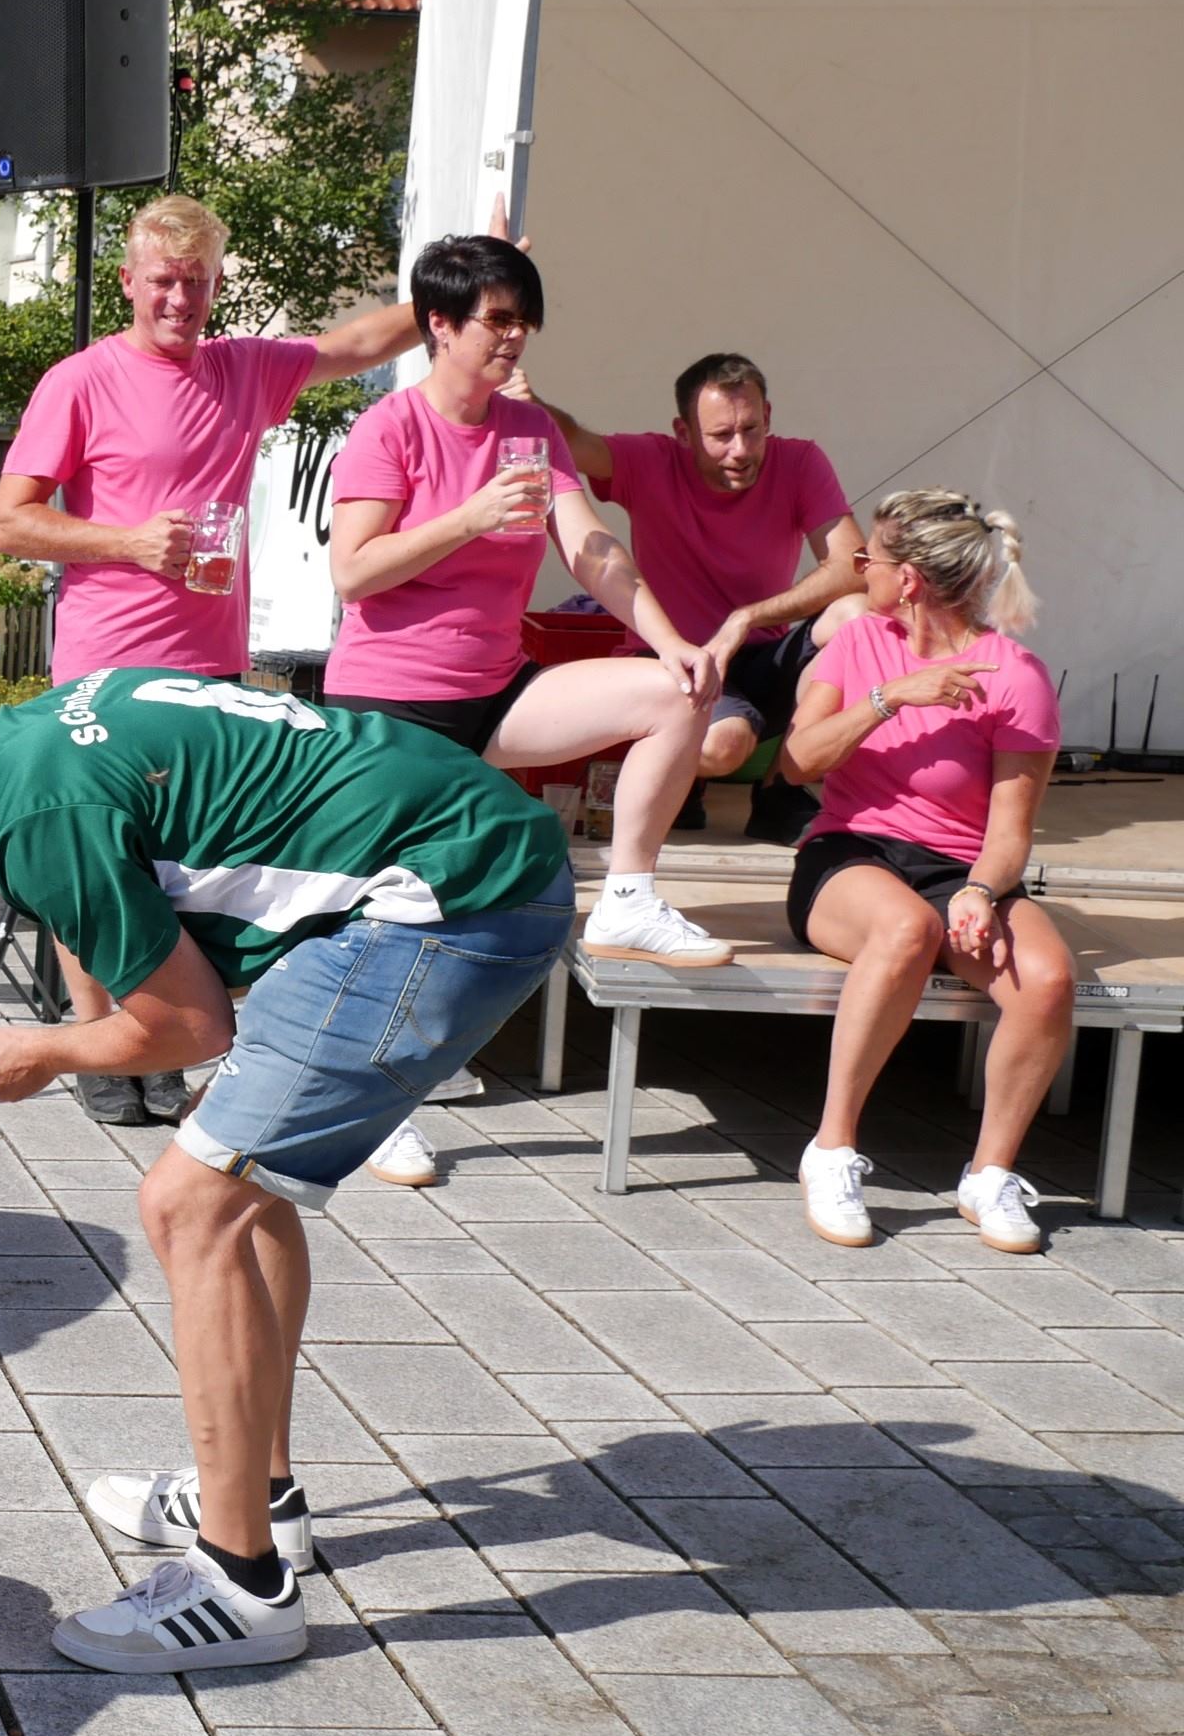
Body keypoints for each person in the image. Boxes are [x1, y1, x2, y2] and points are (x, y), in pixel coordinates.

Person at [0, 656, 571, 1671]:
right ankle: (261, 1498)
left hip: (450, 895)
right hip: (451, 861)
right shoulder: (42, 739)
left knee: (189, 1203)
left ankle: (240, 1585)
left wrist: (43, 1049)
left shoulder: (39, 813)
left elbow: (184, 1024)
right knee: (238, 1180)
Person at [0, 193, 491, 1128]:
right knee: (90, 864)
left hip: (210, 673)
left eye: (199, 285)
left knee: (191, 870)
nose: (180, 302)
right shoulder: (80, 380)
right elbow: (7, 521)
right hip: (105, 665)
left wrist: (464, 285)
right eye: (164, 284)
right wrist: (131, 544)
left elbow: (356, 344)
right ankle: (97, 1047)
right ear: (131, 282)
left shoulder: (242, 369)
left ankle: (161, 1038)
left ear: (217, 286)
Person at [322, 233, 732, 1187]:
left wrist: (671, 638)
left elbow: (591, 548)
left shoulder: (529, 429)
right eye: (498, 321)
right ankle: (377, 1106)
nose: (516, 339)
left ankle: (628, 898)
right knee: (400, 914)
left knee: (678, 693)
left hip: (498, 692)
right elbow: (352, 574)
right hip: (393, 705)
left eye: (525, 320)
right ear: (440, 326)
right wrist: (466, 517)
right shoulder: (393, 428)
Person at [777, 489, 1068, 1254]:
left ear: (907, 579)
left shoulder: (1016, 676)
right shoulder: (857, 644)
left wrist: (978, 889)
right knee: (904, 929)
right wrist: (888, 699)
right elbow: (794, 761)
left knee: (1047, 979)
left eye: (870, 557)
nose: (859, 566)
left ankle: (990, 1173)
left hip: (959, 867)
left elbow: (1010, 833)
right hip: (851, 852)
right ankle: (833, 1149)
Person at [521, 351, 866, 841]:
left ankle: (781, 791)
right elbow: (575, 442)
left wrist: (746, 618)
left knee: (857, 616)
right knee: (723, 746)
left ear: (768, 416)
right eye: (722, 435)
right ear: (684, 433)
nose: (741, 449)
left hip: (761, 658)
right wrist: (529, 405)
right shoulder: (649, 460)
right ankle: (676, 775)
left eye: (751, 429)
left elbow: (855, 567)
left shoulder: (801, 460)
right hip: (674, 663)